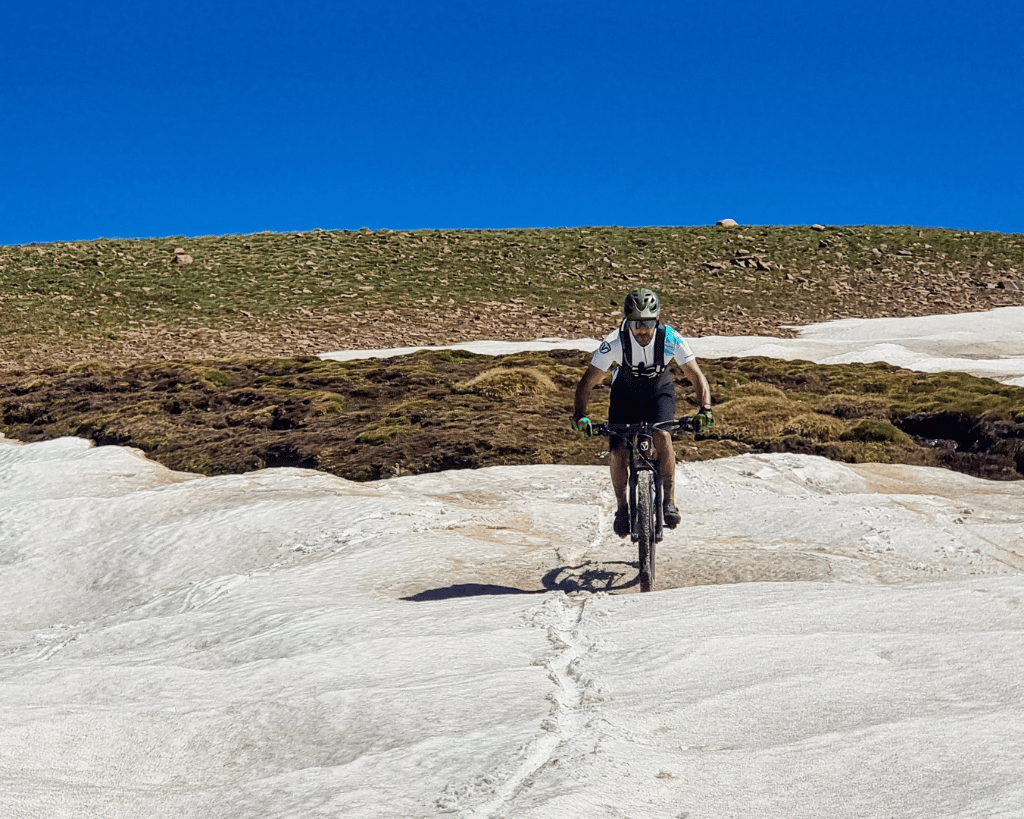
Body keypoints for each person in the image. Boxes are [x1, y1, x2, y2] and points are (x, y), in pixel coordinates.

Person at [571, 287, 713, 537]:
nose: (642, 329)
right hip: (624, 395)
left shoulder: (671, 338)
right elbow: (587, 382)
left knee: (663, 436)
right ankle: (622, 508)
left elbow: (696, 375)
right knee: (617, 449)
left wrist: (706, 409)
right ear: (627, 321)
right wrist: (580, 415)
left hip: (659, 392)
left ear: (657, 319)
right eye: (636, 323)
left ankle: (668, 501)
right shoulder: (614, 342)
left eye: (648, 322)